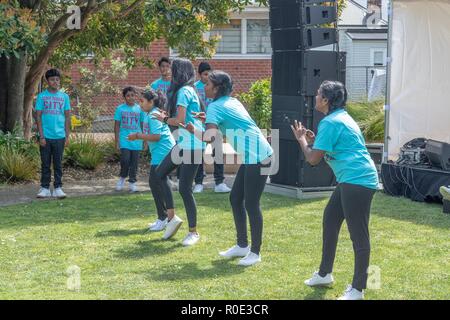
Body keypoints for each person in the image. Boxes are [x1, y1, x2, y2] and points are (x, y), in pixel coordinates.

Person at [291, 80, 379, 300]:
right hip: (351, 179)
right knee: (330, 219)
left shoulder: (331, 122)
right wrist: (315, 140)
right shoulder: (339, 118)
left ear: (326, 100)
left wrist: (302, 140)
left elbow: (312, 159)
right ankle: (324, 274)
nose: (316, 95)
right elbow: (332, 148)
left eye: (319, 93)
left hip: (357, 180)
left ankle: (358, 290)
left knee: (359, 237)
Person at [185, 70, 273, 266]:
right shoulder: (231, 101)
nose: (204, 87)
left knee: (251, 204)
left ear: (217, 88)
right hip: (257, 155)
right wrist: (206, 119)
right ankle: (242, 245)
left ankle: (255, 252)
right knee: (235, 199)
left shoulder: (215, 107)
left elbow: (210, 138)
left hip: (258, 157)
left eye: (207, 84)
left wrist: (194, 129)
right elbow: (228, 125)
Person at [152, 58, 206, 246]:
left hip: (193, 145)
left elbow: (181, 120)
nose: (170, 73)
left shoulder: (184, 91)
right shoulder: (189, 90)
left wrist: (164, 119)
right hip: (186, 144)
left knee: (184, 188)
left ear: (179, 72)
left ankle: (193, 232)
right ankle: (172, 217)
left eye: (173, 70)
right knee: (159, 173)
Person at [128, 89, 182, 233]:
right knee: (154, 182)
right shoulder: (150, 114)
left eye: (142, 101)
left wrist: (138, 136)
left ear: (151, 102)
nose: (140, 103)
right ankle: (163, 218)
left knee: (158, 180)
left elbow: (157, 136)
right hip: (159, 153)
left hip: (164, 152)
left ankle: (167, 217)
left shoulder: (153, 115)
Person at [193, 62, 231, 194]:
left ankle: (219, 182)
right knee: (199, 154)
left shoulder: (215, 87)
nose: (207, 76)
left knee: (218, 152)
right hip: (200, 124)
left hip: (215, 124)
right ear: (199, 75)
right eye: (204, 74)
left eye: (209, 73)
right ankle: (198, 183)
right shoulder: (195, 88)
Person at [35, 69, 71, 199]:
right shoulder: (42, 96)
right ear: (47, 81)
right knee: (45, 163)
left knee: (58, 163)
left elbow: (67, 117)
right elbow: (38, 117)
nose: (55, 82)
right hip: (46, 136)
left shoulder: (64, 97)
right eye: (52, 80)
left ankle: (57, 187)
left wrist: (67, 136)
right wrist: (41, 136)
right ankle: (44, 188)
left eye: (57, 79)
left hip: (60, 136)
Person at [114, 87, 143, 193]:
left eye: (132, 95)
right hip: (124, 139)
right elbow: (117, 125)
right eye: (128, 96)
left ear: (135, 96)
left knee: (134, 163)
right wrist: (116, 141)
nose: (130, 97)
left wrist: (144, 140)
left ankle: (132, 182)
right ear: (124, 97)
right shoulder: (120, 109)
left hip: (137, 140)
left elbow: (142, 124)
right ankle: (122, 177)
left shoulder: (140, 109)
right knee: (125, 160)